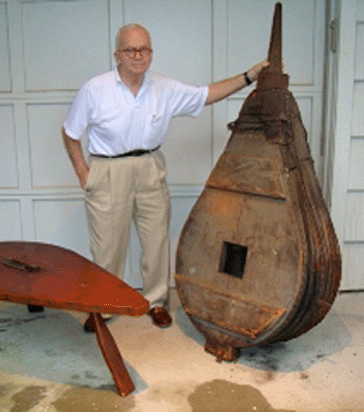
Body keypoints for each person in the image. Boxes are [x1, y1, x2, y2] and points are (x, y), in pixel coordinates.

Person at [62, 23, 269, 332]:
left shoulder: (165, 88)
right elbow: (70, 132)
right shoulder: (95, 89)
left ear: (151, 54)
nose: (138, 56)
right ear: (117, 54)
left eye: (144, 49)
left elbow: (207, 95)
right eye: (131, 50)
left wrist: (248, 77)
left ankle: (155, 302)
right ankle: (102, 307)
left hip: (150, 167)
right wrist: (82, 170)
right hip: (108, 169)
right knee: (106, 244)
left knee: (156, 239)